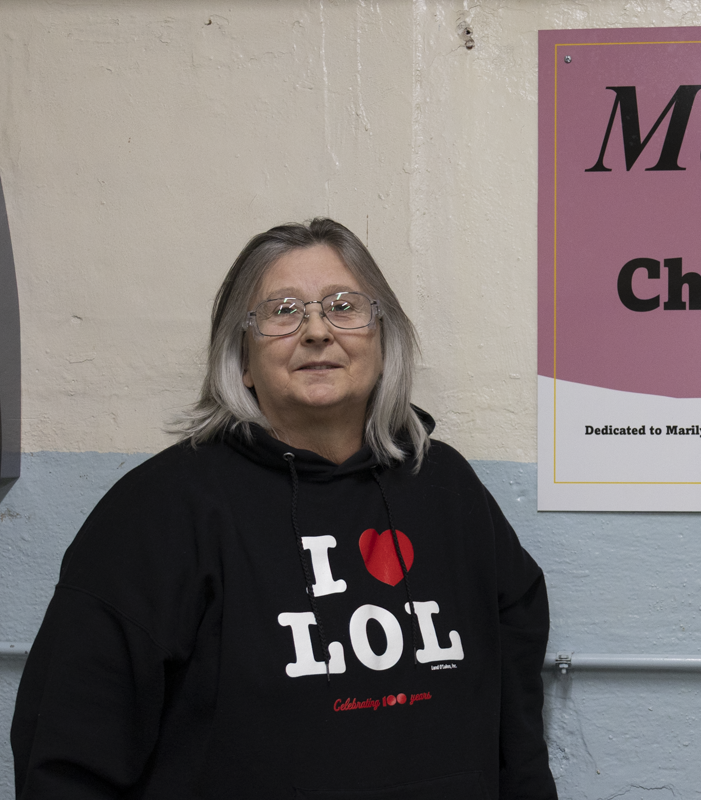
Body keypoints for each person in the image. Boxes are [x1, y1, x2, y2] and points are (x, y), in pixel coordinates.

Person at [11, 218, 558, 800]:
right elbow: (65, 759)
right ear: (242, 358)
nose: (317, 330)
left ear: (383, 341)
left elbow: (518, 727)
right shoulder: (156, 513)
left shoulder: (447, 488)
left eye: (344, 306)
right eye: (283, 311)